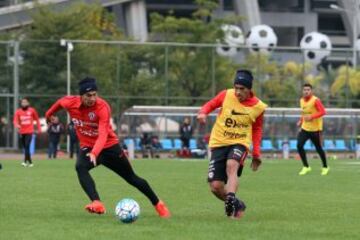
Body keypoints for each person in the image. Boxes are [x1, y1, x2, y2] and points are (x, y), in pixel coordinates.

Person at [45, 77, 170, 217]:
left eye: (94, 94)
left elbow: (103, 133)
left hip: (109, 147)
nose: (92, 98)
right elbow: (59, 103)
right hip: (88, 146)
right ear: (81, 96)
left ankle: (158, 204)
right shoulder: (70, 102)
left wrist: (95, 153)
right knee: (80, 167)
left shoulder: (102, 107)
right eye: (88, 95)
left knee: (132, 178)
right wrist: (48, 114)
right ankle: (97, 203)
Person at [197, 70, 266, 219]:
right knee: (215, 187)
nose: (238, 92)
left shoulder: (258, 107)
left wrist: (256, 154)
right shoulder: (226, 94)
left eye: (242, 89)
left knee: (231, 165)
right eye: (236, 87)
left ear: (249, 90)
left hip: (240, 142)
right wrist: (203, 113)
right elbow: (210, 104)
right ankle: (237, 203)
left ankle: (230, 201)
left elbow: (257, 129)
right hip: (219, 142)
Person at [297, 83, 329, 176]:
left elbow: (323, 112)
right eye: (304, 90)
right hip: (305, 129)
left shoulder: (315, 100)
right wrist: (300, 120)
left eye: (308, 90)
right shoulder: (301, 100)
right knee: (299, 145)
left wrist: (312, 116)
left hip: (315, 130)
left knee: (318, 149)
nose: (306, 91)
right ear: (303, 91)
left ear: (311, 91)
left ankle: (325, 167)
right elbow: (303, 113)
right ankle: (306, 167)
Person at [13, 97, 41, 167]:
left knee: (27, 146)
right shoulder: (18, 111)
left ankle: (26, 162)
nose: (24, 103)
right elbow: (15, 120)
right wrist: (17, 125)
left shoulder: (32, 110)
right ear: (21, 103)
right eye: (23, 102)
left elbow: (37, 119)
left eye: (25, 102)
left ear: (28, 103)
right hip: (22, 132)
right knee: (25, 147)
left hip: (29, 131)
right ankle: (29, 162)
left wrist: (39, 129)